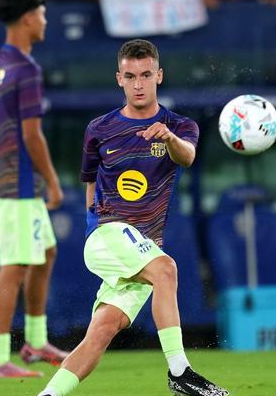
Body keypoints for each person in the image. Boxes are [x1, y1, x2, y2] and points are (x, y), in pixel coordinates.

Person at [36, 39, 230, 396]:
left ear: (159, 75)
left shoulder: (179, 126)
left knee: (103, 329)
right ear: (119, 79)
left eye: (145, 75)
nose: (138, 84)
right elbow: (90, 181)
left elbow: (187, 157)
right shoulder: (100, 129)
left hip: (143, 246)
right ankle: (180, 372)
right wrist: (96, 227)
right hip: (109, 234)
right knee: (166, 269)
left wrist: (168, 138)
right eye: (130, 76)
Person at [0, 0, 67, 378]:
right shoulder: (27, 69)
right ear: (28, 17)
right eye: (42, 14)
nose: (45, 21)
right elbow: (32, 135)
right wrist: (53, 181)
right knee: (14, 266)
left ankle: (35, 342)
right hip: (22, 182)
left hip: (7, 175)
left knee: (45, 252)